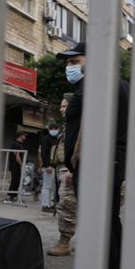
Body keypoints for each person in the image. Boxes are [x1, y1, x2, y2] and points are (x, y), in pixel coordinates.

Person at [57, 42, 129, 269]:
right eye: (68, 62)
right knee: (109, 223)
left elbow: (93, 124)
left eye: (74, 61)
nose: (70, 67)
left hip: (98, 162)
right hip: (109, 161)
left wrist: (77, 159)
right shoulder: (118, 83)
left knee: (100, 225)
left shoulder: (96, 84)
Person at [47, 96, 77, 256]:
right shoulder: (69, 125)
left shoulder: (80, 124)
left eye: (64, 106)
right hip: (64, 168)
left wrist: (73, 170)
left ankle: (64, 242)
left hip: (71, 169)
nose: (61, 109)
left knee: (67, 203)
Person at [37, 123, 59, 212]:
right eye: (52, 128)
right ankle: (45, 205)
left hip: (54, 166)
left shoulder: (57, 139)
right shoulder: (46, 139)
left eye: (56, 128)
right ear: (49, 129)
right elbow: (43, 153)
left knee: (52, 187)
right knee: (47, 186)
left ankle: (49, 204)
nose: (54, 130)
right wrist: (47, 165)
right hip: (48, 166)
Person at [4, 131, 27, 203]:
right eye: (24, 135)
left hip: (16, 165)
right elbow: (17, 156)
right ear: (20, 136)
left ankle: (14, 196)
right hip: (14, 165)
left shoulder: (19, 144)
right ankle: (9, 197)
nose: (25, 137)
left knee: (17, 180)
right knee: (15, 180)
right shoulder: (16, 144)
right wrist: (21, 164)